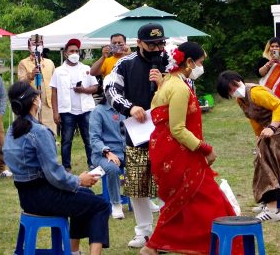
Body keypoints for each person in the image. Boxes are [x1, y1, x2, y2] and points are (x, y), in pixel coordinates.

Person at [141, 42, 239, 255]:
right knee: (210, 202)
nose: (201, 67)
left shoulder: (169, 82)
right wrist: (205, 148)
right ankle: (225, 246)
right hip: (178, 156)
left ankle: (159, 247)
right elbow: (177, 129)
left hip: (170, 153)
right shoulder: (178, 88)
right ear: (188, 62)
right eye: (200, 63)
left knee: (189, 205)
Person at [3, 81, 110, 255]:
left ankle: (74, 251)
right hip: (44, 197)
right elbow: (54, 175)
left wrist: (77, 183)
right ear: (35, 101)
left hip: (27, 198)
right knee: (101, 205)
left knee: (86, 196)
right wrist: (78, 180)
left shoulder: (12, 130)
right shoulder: (38, 131)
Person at [104, 22, 166, 248]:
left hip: (167, 133)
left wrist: (163, 83)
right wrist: (129, 107)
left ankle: (169, 229)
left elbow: (186, 87)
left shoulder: (170, 61)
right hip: (137, 134)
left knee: (168, 182)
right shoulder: (125, 64)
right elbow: (110, 89)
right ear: (138, 43)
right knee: (137, 184)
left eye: (160, 43)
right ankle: (143, 231)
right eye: (151, 44)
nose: (157, 48)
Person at [216, 70, 280, 222]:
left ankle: (273, 209)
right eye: (230, 90)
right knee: (259, 160)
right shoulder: (241, 100)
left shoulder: (256, 93)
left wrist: (272, 127)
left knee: (266, 162)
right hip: (269, 132)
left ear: (239, 80)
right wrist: (259, 136)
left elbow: (279, 107)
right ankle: (267, 201)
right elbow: (254, 119)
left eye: (235, 85)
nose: (235, 90)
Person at [50, 38, 98, 170]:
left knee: (89, 139)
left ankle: (92, 163)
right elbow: (54, 92)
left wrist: (84, 90)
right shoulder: (59, 71)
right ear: (65, 53)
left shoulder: (87, 69)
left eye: (77, 51)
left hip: (86, 110)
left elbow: (95, 87)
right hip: (67, 111)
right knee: (66, 140)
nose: (74, 53)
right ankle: (66, 166)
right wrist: (55, 112)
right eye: (71, 51)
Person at [88, 100, 127, 219]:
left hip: (124, 151)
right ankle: (116, 203)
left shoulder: (126, 108)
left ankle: (143, 198)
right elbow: (94, 139)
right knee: (112, 168)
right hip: (102, 154)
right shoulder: (98, 111)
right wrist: (107, 152)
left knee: (142, 161)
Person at [17, 36, 56, 132]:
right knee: (33, 133)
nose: (37, 46)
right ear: (29, 46)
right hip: (32, 104)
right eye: (34, 44)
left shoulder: (49, 63)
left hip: (48, 105)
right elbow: (21, 83)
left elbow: (55, 84)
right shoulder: (23, 63)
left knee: (49, 133)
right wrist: (31, 75)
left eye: (40, 44)